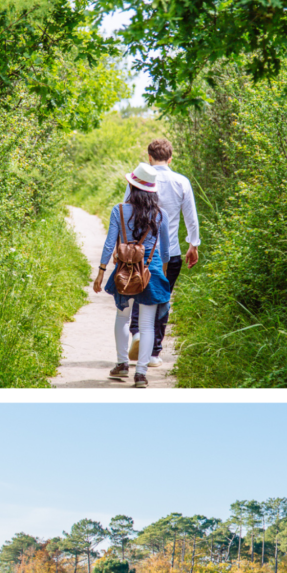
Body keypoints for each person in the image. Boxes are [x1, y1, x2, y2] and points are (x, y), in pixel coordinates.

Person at [93, 164, 171, 387]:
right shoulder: (161, 214)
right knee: (147, 325)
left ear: (132, 186)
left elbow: (110, 244)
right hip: (151, 270)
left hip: (124, 270)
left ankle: (122, 364)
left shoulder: (118, 210)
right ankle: (141, 374)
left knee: (122, 317)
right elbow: (166, 250)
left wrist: (101, 271)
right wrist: (162, 272)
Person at [126, 138, 200, 367]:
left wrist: (126, 246)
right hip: (170, 253)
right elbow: (191, 216)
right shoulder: (182, 181)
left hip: (141, 251)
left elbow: (127, 212)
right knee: (162, 298)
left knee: (139, 289)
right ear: (170, 159)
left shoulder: (138, 178)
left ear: (149, 157)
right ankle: (154, 352)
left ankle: (137, 332)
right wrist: (193, 245)